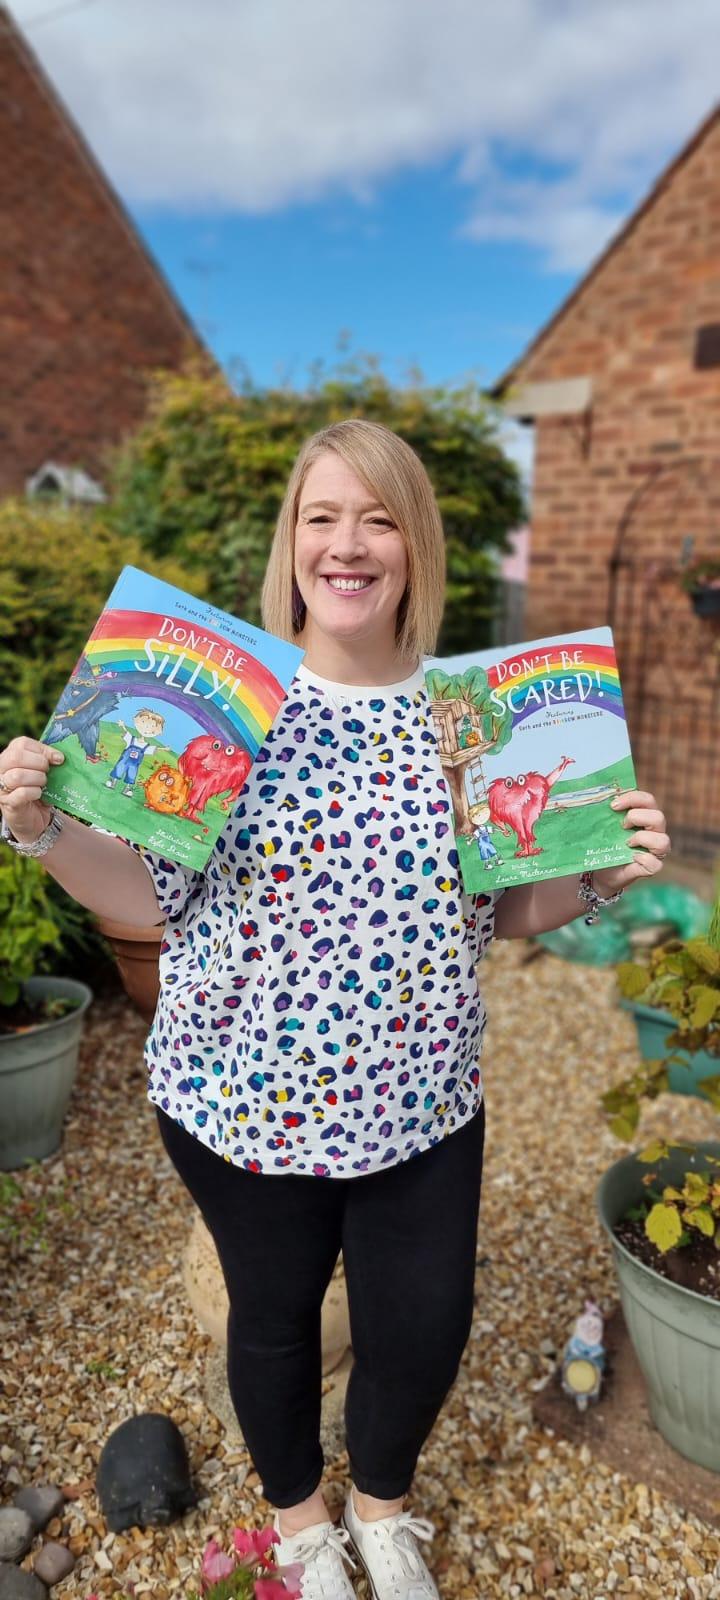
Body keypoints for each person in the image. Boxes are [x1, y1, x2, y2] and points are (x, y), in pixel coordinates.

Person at [0, 420, 670, 1600]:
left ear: (415, 544)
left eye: (377, 518)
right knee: (272, 1322)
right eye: (323, 517)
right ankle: (303, 1522)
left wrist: (601, 875)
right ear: (292, 541)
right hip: (245, 1103)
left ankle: (384, 1507)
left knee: (425, 1327)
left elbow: (497, 913)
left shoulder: (473, 718)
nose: (348, 544)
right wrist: (42, 829)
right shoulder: (234, 701)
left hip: (424, 1102)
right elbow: (144, 896)